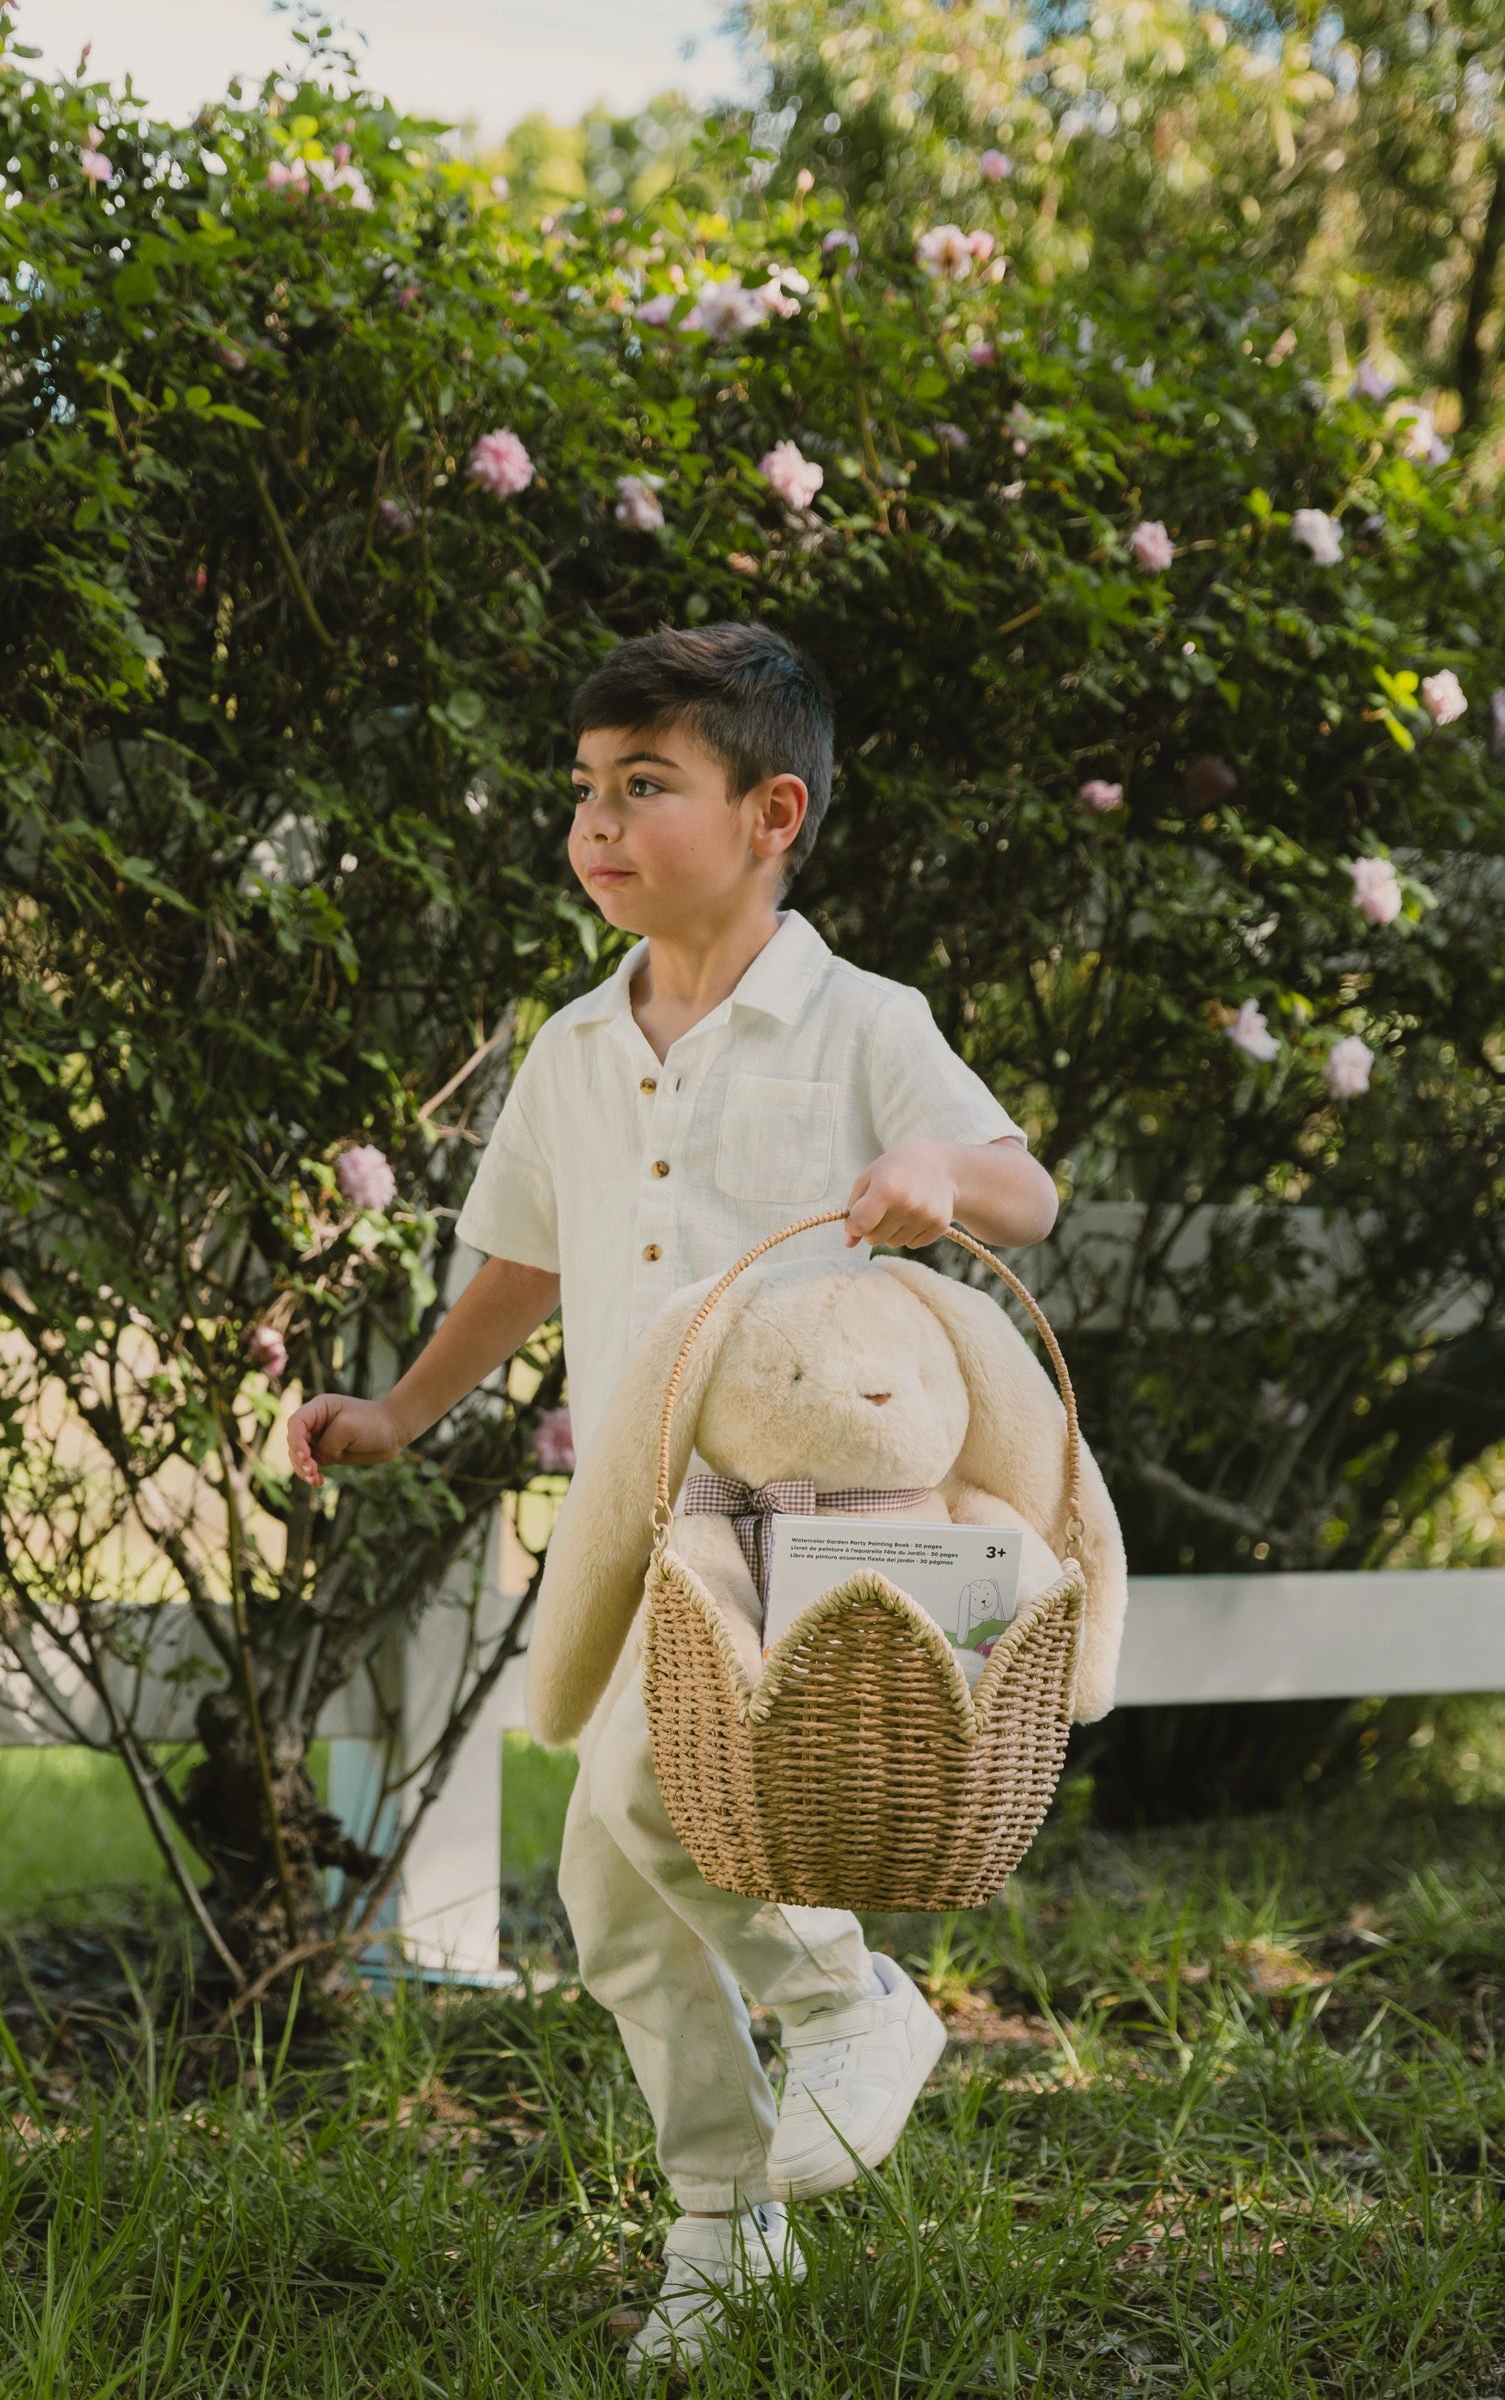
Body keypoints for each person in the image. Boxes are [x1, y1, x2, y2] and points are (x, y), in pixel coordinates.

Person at [288, 623, 1059, 2372]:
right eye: (583, 789)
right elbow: (514, 1267)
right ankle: (727, 2224)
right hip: (636, 1517)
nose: (598, 824)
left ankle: (850, 2001)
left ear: (771, 810)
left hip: (807, 1532)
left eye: (646, 786)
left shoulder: (861, 1020)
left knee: (645, 1786)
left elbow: (1022, 1196)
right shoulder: (572, 1044)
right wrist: (407, 1412)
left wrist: (937, 1163)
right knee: (612, 1894)